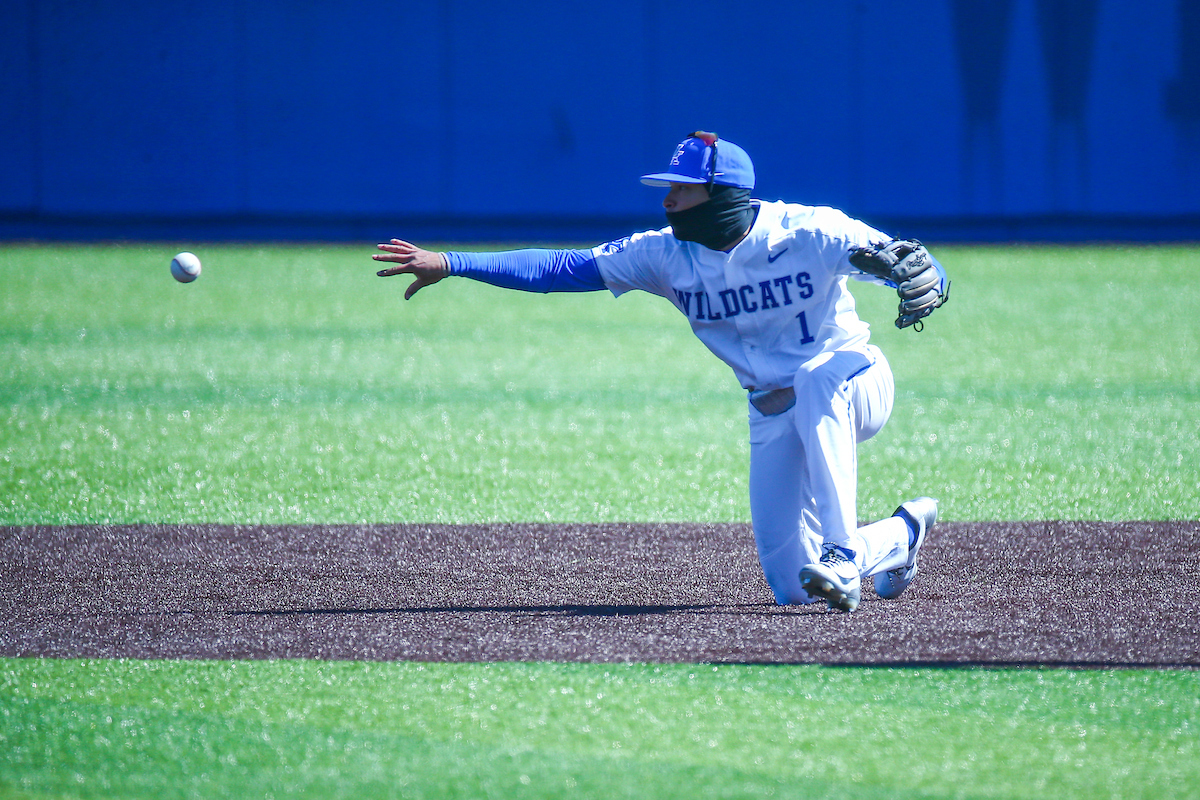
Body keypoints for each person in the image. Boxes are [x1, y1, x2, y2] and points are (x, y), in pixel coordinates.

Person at [372, 132, 950, 612]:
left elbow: (919, 268)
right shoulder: (663, 255)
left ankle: (845, 553)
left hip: (857, 382)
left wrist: (925, 279)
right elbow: (558, 267)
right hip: (771, 410)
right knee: (792, 589)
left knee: (816, 379)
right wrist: (453, 262)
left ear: (722, 194)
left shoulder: (810, 230)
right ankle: (900, 535)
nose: (668, 200)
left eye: (681, 188)